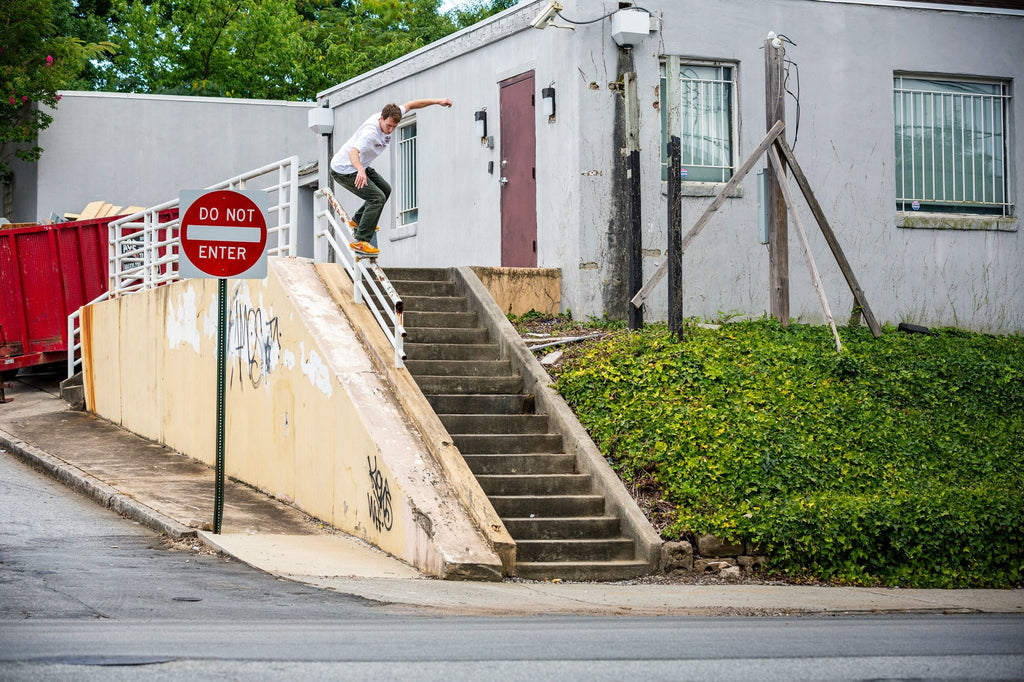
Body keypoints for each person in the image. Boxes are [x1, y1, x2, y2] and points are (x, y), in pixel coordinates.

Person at [330, 98, 453, 256]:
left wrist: (438, 101)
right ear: (381, 118)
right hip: (344, 169)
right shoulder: (370, 132)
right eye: (388, 126)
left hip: (360, 166)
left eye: (394, 127)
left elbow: (411, 105)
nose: (390, 130)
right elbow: (353, 152)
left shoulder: (394, 114)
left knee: (386, 189)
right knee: (377, 198)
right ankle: (360, 241)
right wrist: (360, 169)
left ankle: (359, 220)